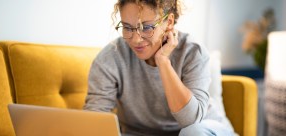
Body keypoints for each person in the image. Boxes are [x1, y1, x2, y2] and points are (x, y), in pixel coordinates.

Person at [84, 0, 234, 135]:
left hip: (203, 129)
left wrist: (163, 61)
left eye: (147, 27)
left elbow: (190, 121)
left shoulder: (193, 52)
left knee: (192, 132)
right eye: (127, 28)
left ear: (169, 22)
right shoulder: (110, 58)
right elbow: (94, 119)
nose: (136, 39)